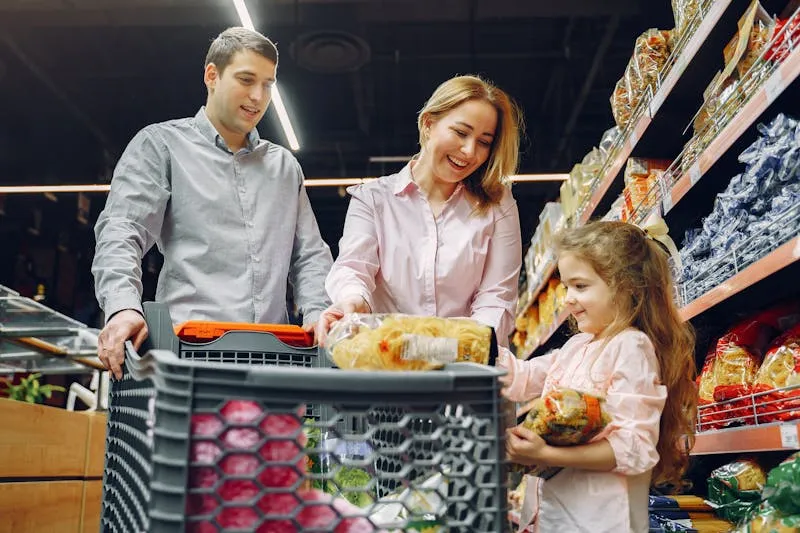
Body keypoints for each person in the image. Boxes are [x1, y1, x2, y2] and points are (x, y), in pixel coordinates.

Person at [92, 27, 333, 379]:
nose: (258, 96)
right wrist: (123, 307)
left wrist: (318, 313)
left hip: (274, 361)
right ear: (212, 76)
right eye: (246, 79)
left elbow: (309, 254)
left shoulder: (284, 167)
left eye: (268, 84)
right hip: (187, 359)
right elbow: (122, 231)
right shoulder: (161, 146)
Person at [501, 220, 697, 533]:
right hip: (553, 517)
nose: (567, 299)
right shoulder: (577, 346)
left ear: (627, 287)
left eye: (580, 286)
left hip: (601, 520)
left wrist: (544, 454)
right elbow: (521, 377)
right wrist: (469, 343)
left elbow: (633, 448)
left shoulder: (631, 347)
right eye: (566, 287)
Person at [316, 74, 523, 346]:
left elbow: (497, 296)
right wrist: (353, 302)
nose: (470, 151)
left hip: (466, 366)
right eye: (461, 132)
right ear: (428, 124)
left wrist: (457, 345)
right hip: (387, 360)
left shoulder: (498, 204)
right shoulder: (373, 200)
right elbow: (354, 268)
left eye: (484, 142)